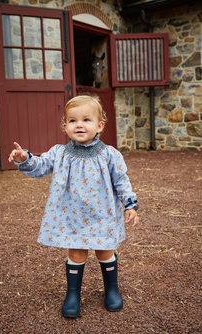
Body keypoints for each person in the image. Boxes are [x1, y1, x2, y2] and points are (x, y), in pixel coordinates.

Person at [8, 95, 139, 318]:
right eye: (72, 120)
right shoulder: (59, 153)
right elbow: (40, 167)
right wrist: (24, 158)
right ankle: (72, 294)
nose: (79, 124)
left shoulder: (110, 155)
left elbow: (121, 181)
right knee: (77, 252)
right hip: (72, 216)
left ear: (99, 126)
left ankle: (112, 288)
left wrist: (130, 205)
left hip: (103, 215)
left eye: (86, 119)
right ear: (64, 126)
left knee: (105, 250)